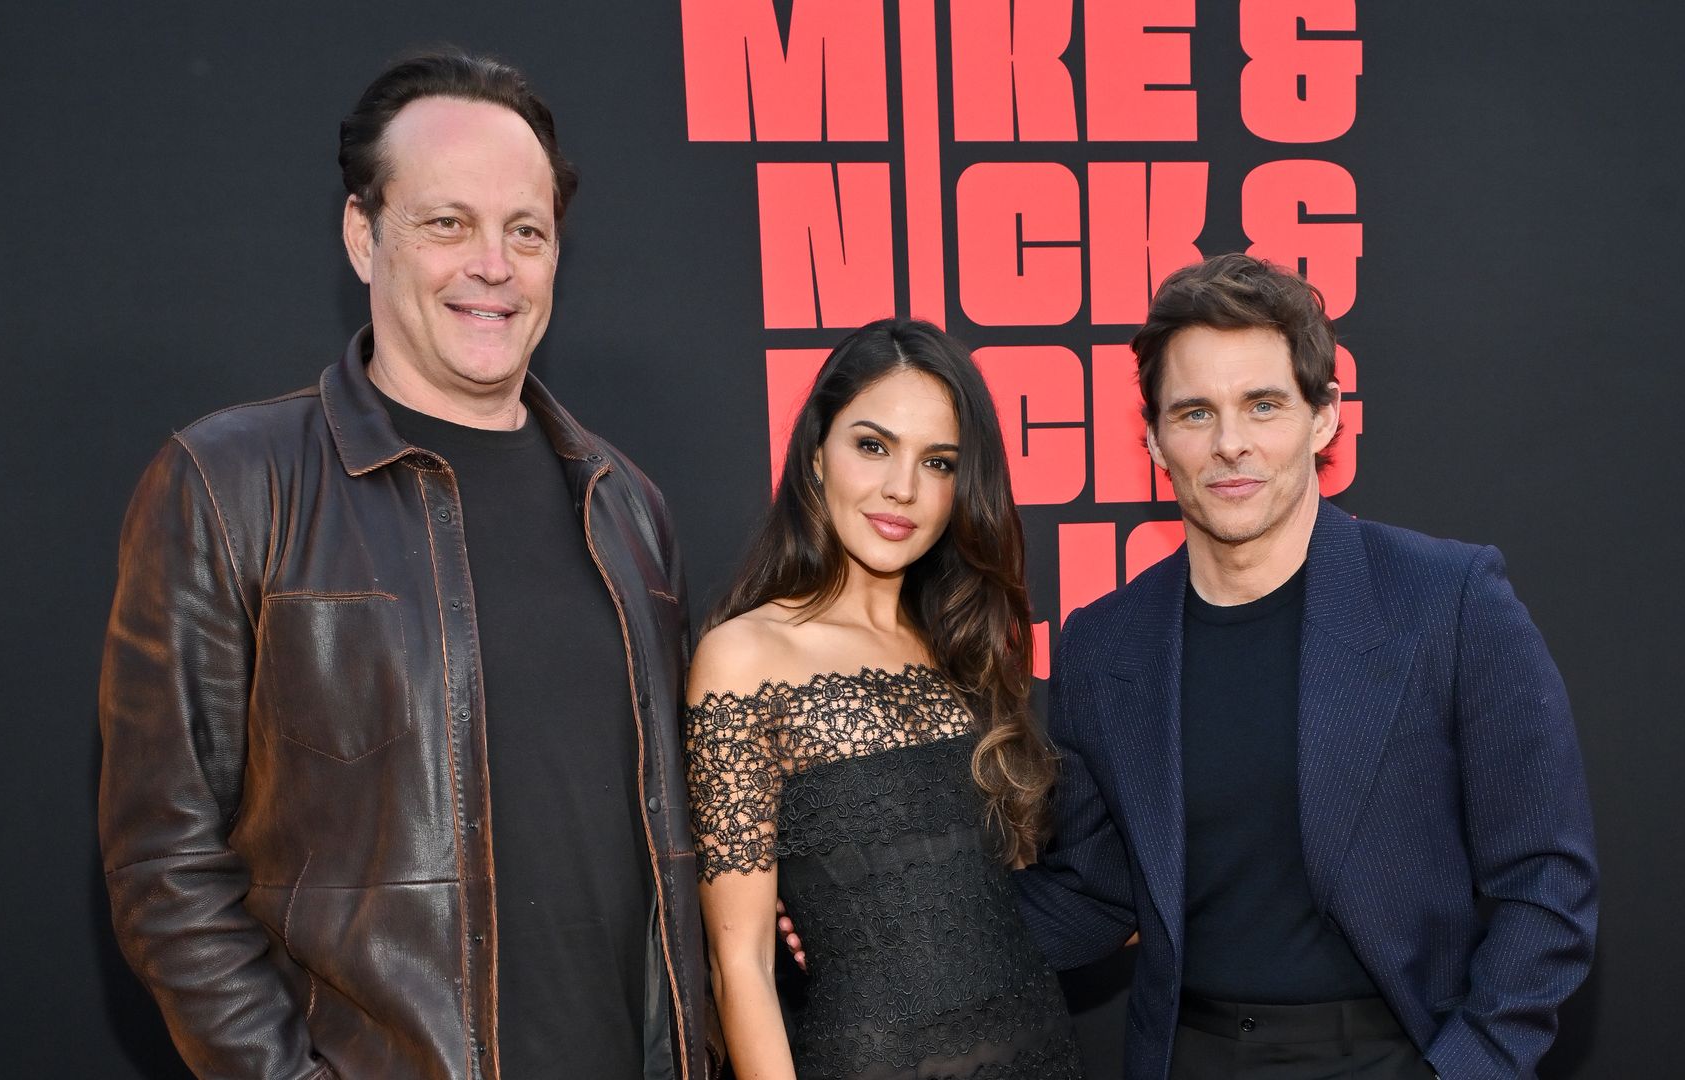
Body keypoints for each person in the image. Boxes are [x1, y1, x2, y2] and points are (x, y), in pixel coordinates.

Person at [97, 50, 706, 1079]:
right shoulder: (229, 482)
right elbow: (164, 862)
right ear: (362, 236)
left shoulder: (626, 506)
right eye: (446, 223)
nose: (492, 265)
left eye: (526, 232)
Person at [1012, 253, 1599, 1079]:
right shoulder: (1105, 643)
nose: (1230, 445)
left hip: (1399, 1052)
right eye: (1193, 413)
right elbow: (1100, 892)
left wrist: (1468, 1068)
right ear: (1151, 437)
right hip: (1188, 1056)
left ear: (1324, 419)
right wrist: (872, 928)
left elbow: (1545, 879)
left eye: (1263, 405)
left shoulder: (1449, 600)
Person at [686, 319, 1083, 1080]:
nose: (902, 487)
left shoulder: (962, 649)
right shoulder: (744, 658)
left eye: (937, 462)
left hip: (1041, 1053)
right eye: (873, 446)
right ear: (814, 457)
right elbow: (741, 967)